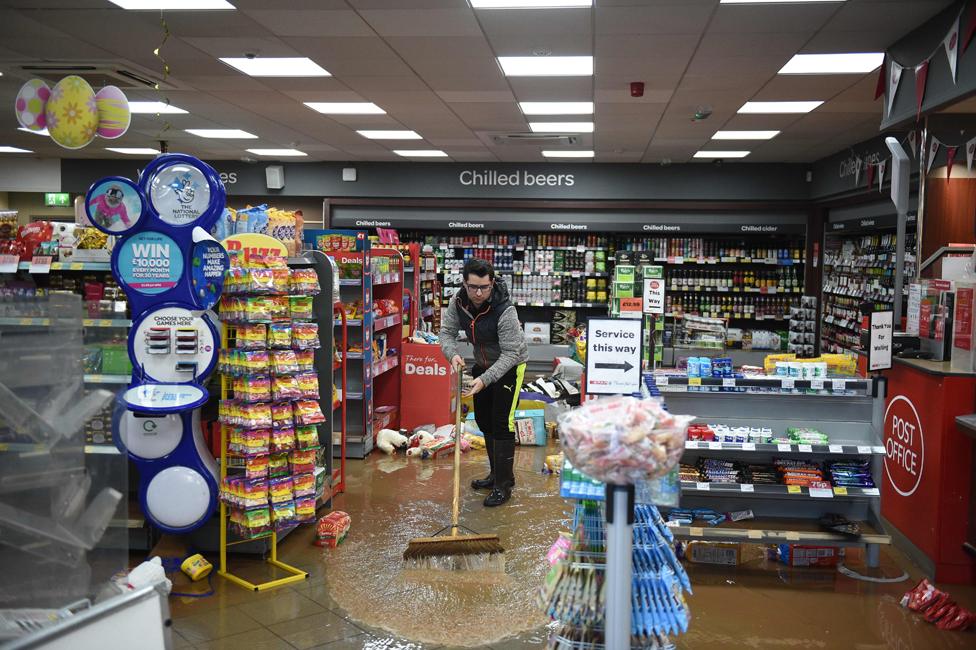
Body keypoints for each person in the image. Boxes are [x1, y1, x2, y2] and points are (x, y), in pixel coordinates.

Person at [440, 258, 529, 507]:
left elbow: (511, 354)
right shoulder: (457, 303)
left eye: (484, 287)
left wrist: (484, 379)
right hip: (483, 363)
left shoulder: (504, 310)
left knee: (501, 422)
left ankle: (504, 485)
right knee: (483, 421)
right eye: (473, 287)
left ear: (492, 284)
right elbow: (446, 333)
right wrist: (452, 354)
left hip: (510, 366)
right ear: (464, 284)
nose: (479, 293)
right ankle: (494, 475)